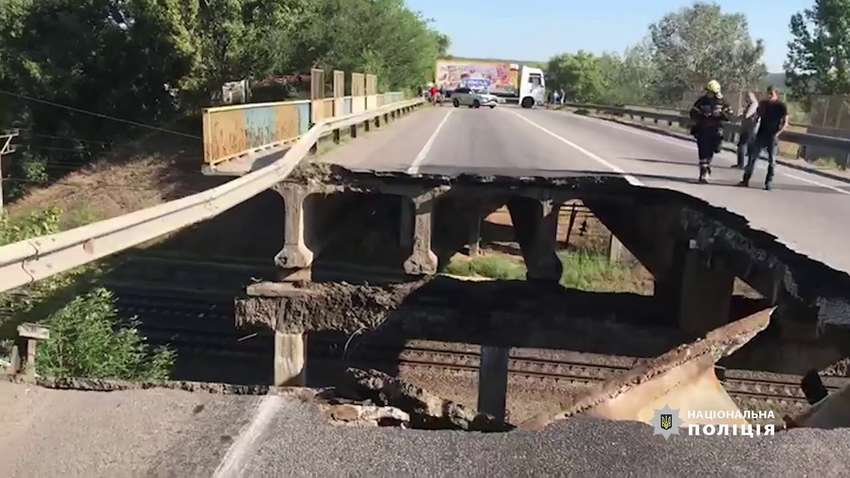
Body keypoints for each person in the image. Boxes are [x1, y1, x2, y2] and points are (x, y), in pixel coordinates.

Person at [740, 86, 788, 191]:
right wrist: (753, 130)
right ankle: (746, 179)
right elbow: (757, 117)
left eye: (772, 94)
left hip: (772, 135)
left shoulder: (781, 106)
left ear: (776, 94)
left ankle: (768, 182)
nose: (769, 95)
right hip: (761, 134)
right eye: (768, 93)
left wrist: (777, 133)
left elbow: (785, 122)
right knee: (753, 158)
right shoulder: (763, 104)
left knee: (772, 160)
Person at [689, 80, 732, 184]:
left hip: (716, 130)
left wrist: (720, 114)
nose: (709, 94)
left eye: (711, 92)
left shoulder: (723, 102)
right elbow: (692, 113)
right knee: (703, 151)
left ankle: (707, 166)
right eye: (708, 91)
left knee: (713, 150)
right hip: (703, 130)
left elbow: (729, 116)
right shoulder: (701, 101)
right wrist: (702, 115)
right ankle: (703, 173)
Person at [735, 92, 759, 169]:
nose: (746, 99)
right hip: (746, 127)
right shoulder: (750, 105)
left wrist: (742, 114)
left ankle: (743, 164)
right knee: (744, 146)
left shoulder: (754, 104)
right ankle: (743, 164)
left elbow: (747, 115)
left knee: (743, 145)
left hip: (750, 128)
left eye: (748, 97)